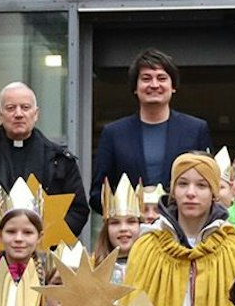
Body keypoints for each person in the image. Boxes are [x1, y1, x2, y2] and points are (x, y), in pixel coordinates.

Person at [123, 150, 235, 306]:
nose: (191, 193)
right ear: (173, 190)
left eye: (202, 185)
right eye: (183, 184)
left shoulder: (234, 249)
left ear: (214, 193)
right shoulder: (147, 246)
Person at [0, 83, 89, 239]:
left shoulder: (59, 160)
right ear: (0, 115)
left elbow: (77, 210)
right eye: (11, 108)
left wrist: (46, 240)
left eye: (25, 107)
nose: (18, 114)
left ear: (36, 114)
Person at [91, 49, 213, 208]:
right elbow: (98, 193)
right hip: (133, 222)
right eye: (146, 78)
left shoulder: (195, 130)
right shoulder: (114, 133)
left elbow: (209, 184)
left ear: (173, 86)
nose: (154, 85)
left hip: (180, 221)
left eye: (162, 78)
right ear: (135, 87)